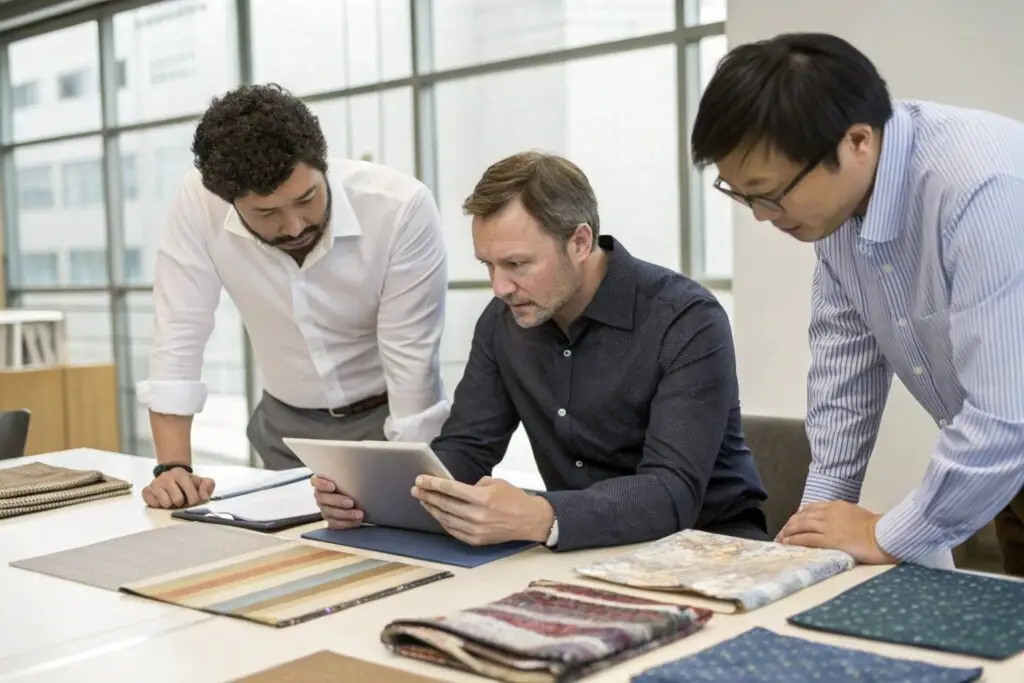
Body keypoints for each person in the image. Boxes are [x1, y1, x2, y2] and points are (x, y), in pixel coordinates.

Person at [313, 150, 768, 551]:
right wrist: (375, 497)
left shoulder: (686, 319)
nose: (499, 286)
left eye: (516, 264)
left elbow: (672, 492)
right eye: (488, 264)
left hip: (710, 547)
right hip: (579, 552)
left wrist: (542, 516)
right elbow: (468, 449)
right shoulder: (502, 321)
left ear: (580, 242)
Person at [689, 32, 1024, 575]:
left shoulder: (981, 190)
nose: (760, 215)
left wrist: (884, 533)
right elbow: (844, 371)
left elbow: (1007, 415)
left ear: (857, 141)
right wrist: (817, 523)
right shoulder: (837, 217)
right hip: (1008, 478)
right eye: (741, 193)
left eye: (769, 193)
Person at [139, 84, 449, 510]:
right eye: (267, 213)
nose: (294, 226)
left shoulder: (398, 208)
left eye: (307, 198)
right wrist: (172, 468)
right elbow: (179, 331)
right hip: (285, 431)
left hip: (388, 421)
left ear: (323, 164)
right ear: (229, 200)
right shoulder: (198, 200)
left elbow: (412, 363)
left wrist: (412, 487)